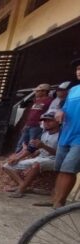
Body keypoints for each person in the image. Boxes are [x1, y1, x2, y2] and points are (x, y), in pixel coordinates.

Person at [2, 112, 60, 198]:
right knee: (7, 166)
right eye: (45, 121)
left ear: (58, 122)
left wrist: (43, 146)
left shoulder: (62, 135)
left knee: (36, 165)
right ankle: (24, 186)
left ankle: (20, 190)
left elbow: (60, 154)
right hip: (41, 158)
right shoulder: (43, 134)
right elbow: (31, 149)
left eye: (50, 121)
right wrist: (18, 158)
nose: (46, 123)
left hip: (54, 160)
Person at [50, 61, 80, 208]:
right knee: (60, 169)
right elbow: (64, 108)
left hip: (79, 138)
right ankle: (54, 199)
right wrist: (60, 111)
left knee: (69, 169)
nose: (79, 71)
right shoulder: (74, 90)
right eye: (78, 69)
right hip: (66, 134)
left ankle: (59, 203)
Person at [16, 83, 52, 152]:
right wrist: (26, 124)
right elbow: (32, 113)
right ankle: (16, 157)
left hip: (37, 126)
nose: (35, 92)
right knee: (21, 143)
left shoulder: (49, 101)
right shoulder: (36, 100)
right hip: (28, 125)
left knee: (32, 144)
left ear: (44, 91)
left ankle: (24, 159)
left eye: (38, 91)